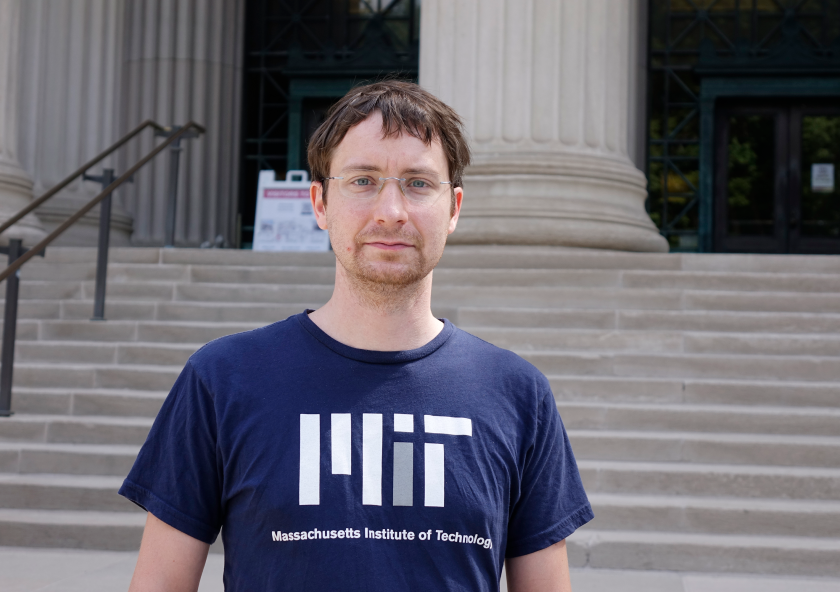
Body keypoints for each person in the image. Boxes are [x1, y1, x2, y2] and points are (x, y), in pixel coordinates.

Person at [121, 80, 593, 592]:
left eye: (418, 183)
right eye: (363, 180)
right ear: (320, 203)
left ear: (454, 209)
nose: (391, 211)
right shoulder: (222, 378)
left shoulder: (518, 393)